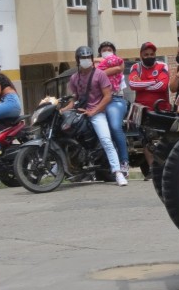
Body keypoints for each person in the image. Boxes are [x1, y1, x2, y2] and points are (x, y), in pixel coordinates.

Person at [63, 46, 127, 186]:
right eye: (82, 58)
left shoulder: (100, 74)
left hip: (96, 113)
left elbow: (107, 96)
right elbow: (74, 99)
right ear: (77, 60)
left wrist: (94, 111)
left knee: (106, 140)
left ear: (92, 59)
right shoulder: (74, 78)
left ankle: (118, 172)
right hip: (80, 113)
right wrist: (62, 110)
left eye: (87, 58)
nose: (85, 60)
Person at [128, 41, 169, 175]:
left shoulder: (163, 66)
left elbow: (163, 85)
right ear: (141, 55)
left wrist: (143, 84)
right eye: (146, 54)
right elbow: (133, 84)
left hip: (162, 109)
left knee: (164, 139)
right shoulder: (136, 67)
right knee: (146, 140)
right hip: (144, 111)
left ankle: (165, 168)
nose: (149, 56)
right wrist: (154, 81)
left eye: (152, 54)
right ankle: (152, 169)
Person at [96, 41, 130, 176]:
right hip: (97, 101)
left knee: (115, 127)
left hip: (115, 100)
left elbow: (118, 69)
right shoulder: (96, 66)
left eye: (109, 49)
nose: (107, 51)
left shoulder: (118, 65)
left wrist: (105, 66)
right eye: (104, 50)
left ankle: (124, 162)